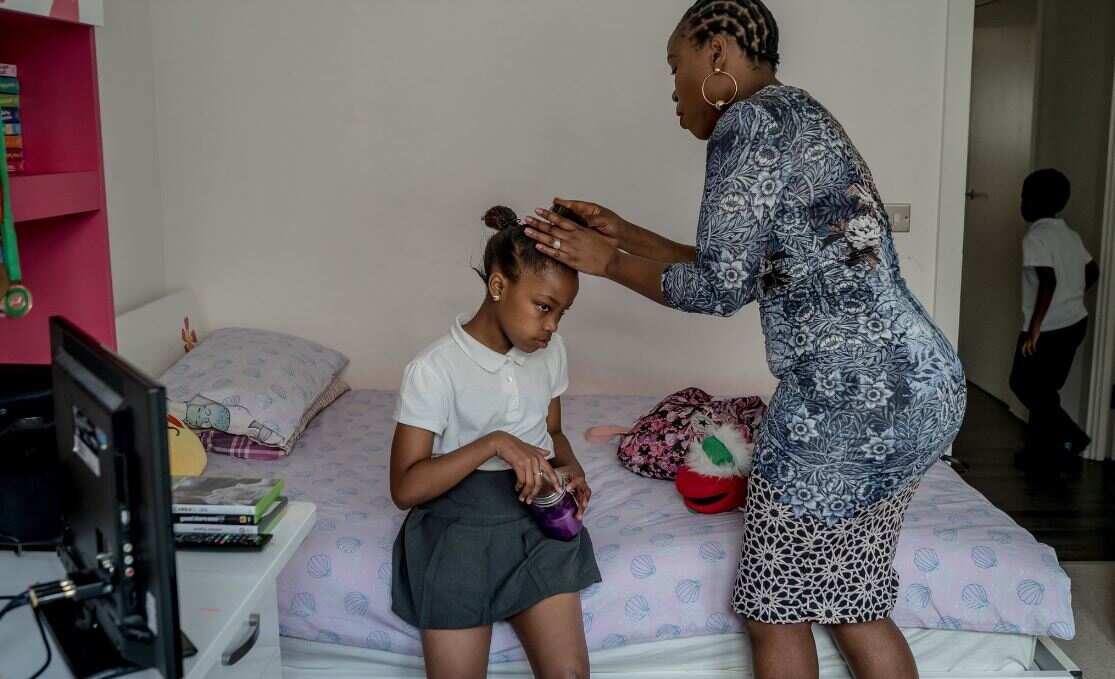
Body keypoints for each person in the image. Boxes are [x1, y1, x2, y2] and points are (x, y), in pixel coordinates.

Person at [521, 2, 966, 678]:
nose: (672, 90)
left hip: (843, 406)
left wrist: (605, 263)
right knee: (853, 598)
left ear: (717, 55)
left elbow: (718, 289)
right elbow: (753, 267)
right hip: (918, 388)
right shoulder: (798, 113)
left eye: (676, 67)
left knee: (773, 608)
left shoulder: (746, 124)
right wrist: (624, 236)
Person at [389, 206, 599, 679]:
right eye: (544, 307)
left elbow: (555, 432)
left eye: (562, 313)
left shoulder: (551, 352)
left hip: (535, 523)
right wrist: (494, 444)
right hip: (458, 530)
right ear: (498, 286)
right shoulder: (434, 369)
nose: (553, 327)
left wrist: (574, 471)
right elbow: (404, 487)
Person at [1010, 168, 1099, 461]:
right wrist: (1072, 297)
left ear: (1034, 202)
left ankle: (1072, 436)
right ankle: (1040, 451)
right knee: (1044, 389)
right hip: (1074, 321)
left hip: (1047, 327)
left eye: (1024, 197)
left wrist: (1034, 329)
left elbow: (1048, 280)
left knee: (1023, 383)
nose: (1021, 203)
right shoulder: (1069, 234)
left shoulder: (1034, 237)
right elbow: (1092, 270)